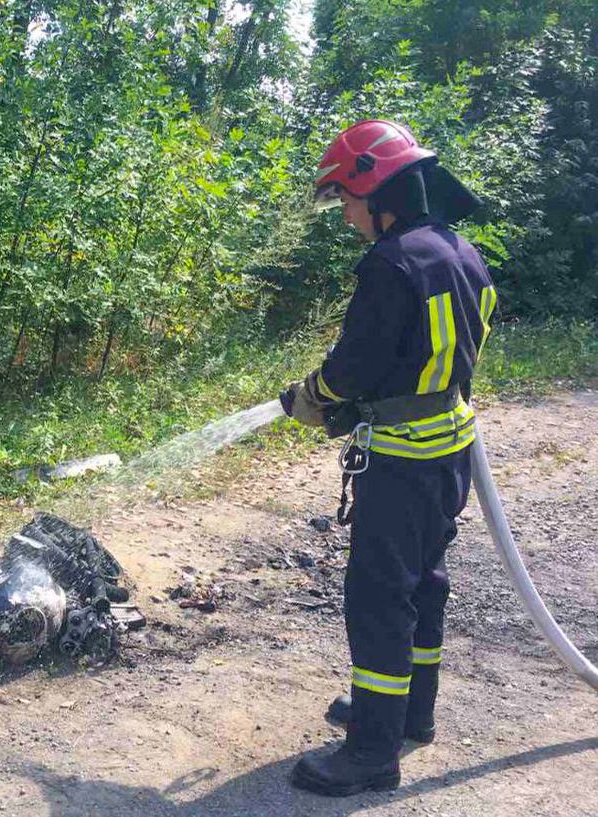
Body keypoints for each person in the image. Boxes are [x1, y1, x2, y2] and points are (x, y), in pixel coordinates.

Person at [282, 120, 497, 796]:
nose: (346, 216)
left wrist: (311, 397)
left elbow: (353, 365)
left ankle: (372, 751)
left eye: (346, 200)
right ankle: (409, 713)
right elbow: (429, 354)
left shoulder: (391, 261)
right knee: (424, 583)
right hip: (450, 450)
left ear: (377, 190)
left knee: (378, 598)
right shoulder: (461, 251)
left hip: (401, 461)